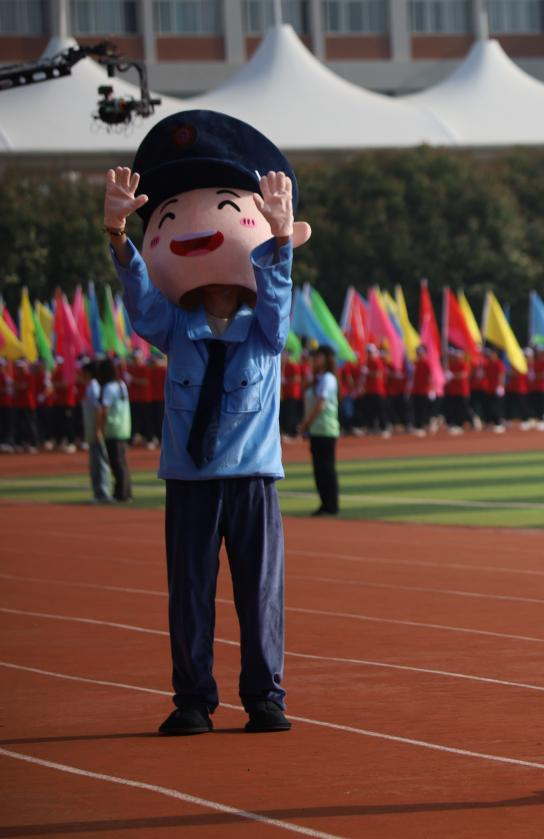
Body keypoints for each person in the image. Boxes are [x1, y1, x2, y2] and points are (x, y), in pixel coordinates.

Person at [106, 110, 309, 736]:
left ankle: (264, 697)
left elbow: (277, 294)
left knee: (259, 594)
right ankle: (193, 699)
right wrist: (117, 234)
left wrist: (279, 238)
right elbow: (141, 298)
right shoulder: (176, 328)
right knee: (190, 593)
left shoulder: (266, 334)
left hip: (252, 479)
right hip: (190, 479)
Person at [298, 345, 339, 517]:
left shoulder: (328, 379)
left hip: (325, 429)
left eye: (318, 356)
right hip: (317, 430)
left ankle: (331, 505)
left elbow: (320, 404)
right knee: (319, 469)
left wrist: (305, 423)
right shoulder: (317, 378)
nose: (315, 359)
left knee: (326, 468)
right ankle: (324, 503)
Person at [96, 356, 133, 502]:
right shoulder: (121, 384)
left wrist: (99, 429)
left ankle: (120, 494)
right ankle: (127, 492)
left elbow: (104, 410)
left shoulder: (108, 388)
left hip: (112, 428)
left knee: (116, 462)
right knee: (122, 462)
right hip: (124, 426)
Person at [78, 359, 111, 502]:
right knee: (94, 463)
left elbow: (99, 409)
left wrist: (98, 430)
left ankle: (102, 492)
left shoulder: (94, 387)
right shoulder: (91, 387)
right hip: (92, 430)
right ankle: (98, 492)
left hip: (96, 431)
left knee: (99, 462)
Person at [444, 346, 472, 434]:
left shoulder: (463, 364)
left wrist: (453, 376)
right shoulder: (451, 365)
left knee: (461, 409)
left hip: (462, 391)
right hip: (453, 391)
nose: (455, 358)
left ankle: (460, 425)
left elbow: (464, 374)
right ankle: (455, 424)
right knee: (453, 409)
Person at [481, 347, 507, 433]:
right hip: (489, 389)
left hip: (497, 389)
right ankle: (491, 423)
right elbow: (484, 374)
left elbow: (501, 375)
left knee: (496, 407)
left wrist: (500, 386)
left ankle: (499, 423)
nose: (491, 356)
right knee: (489, 407)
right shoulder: (488, 363)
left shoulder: (499, 364)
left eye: (493, 354)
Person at [506, 349, 533, 429]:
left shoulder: (524, 364)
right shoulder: (514, 364)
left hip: (522, 389)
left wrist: (510, 373)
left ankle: (525, 421)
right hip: (512, 388)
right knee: (510, 406)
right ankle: (508, 421)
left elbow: (519, 373)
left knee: (522, 406)